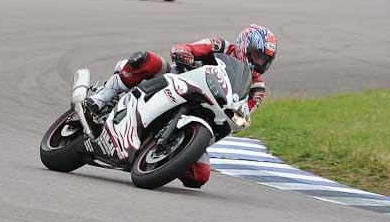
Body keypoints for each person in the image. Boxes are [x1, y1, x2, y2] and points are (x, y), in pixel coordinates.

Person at [85, 25, 278, 189]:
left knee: (199, 176)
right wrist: (184, 53)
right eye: (257, 56)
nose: (259, 63)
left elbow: (246, 110)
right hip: (180, 82)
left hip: (208, 114)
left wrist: (240, 116)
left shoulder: (257, 88)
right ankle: (102, 98)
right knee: (147, 60)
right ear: (245, 46)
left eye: (264, 60)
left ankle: (166, 157)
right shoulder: (220, 46)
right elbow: (189, 48)